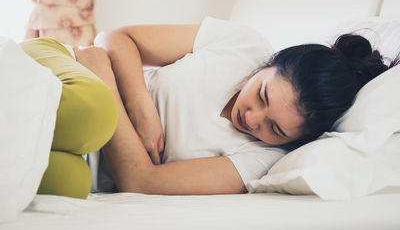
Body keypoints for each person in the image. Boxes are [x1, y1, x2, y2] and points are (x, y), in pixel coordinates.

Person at [21, 17, 398, 199]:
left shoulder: (260, 161)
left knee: (66, 185)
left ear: (296, 139)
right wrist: (141, 111)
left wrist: (104, 71)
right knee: (90, 114)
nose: (252, 118)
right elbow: (117, 37)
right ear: (269, 64)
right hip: (67, 77)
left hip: (85, 160)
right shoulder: (243, 44)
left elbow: (141, 182)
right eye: (262, 94)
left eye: (276, 129)